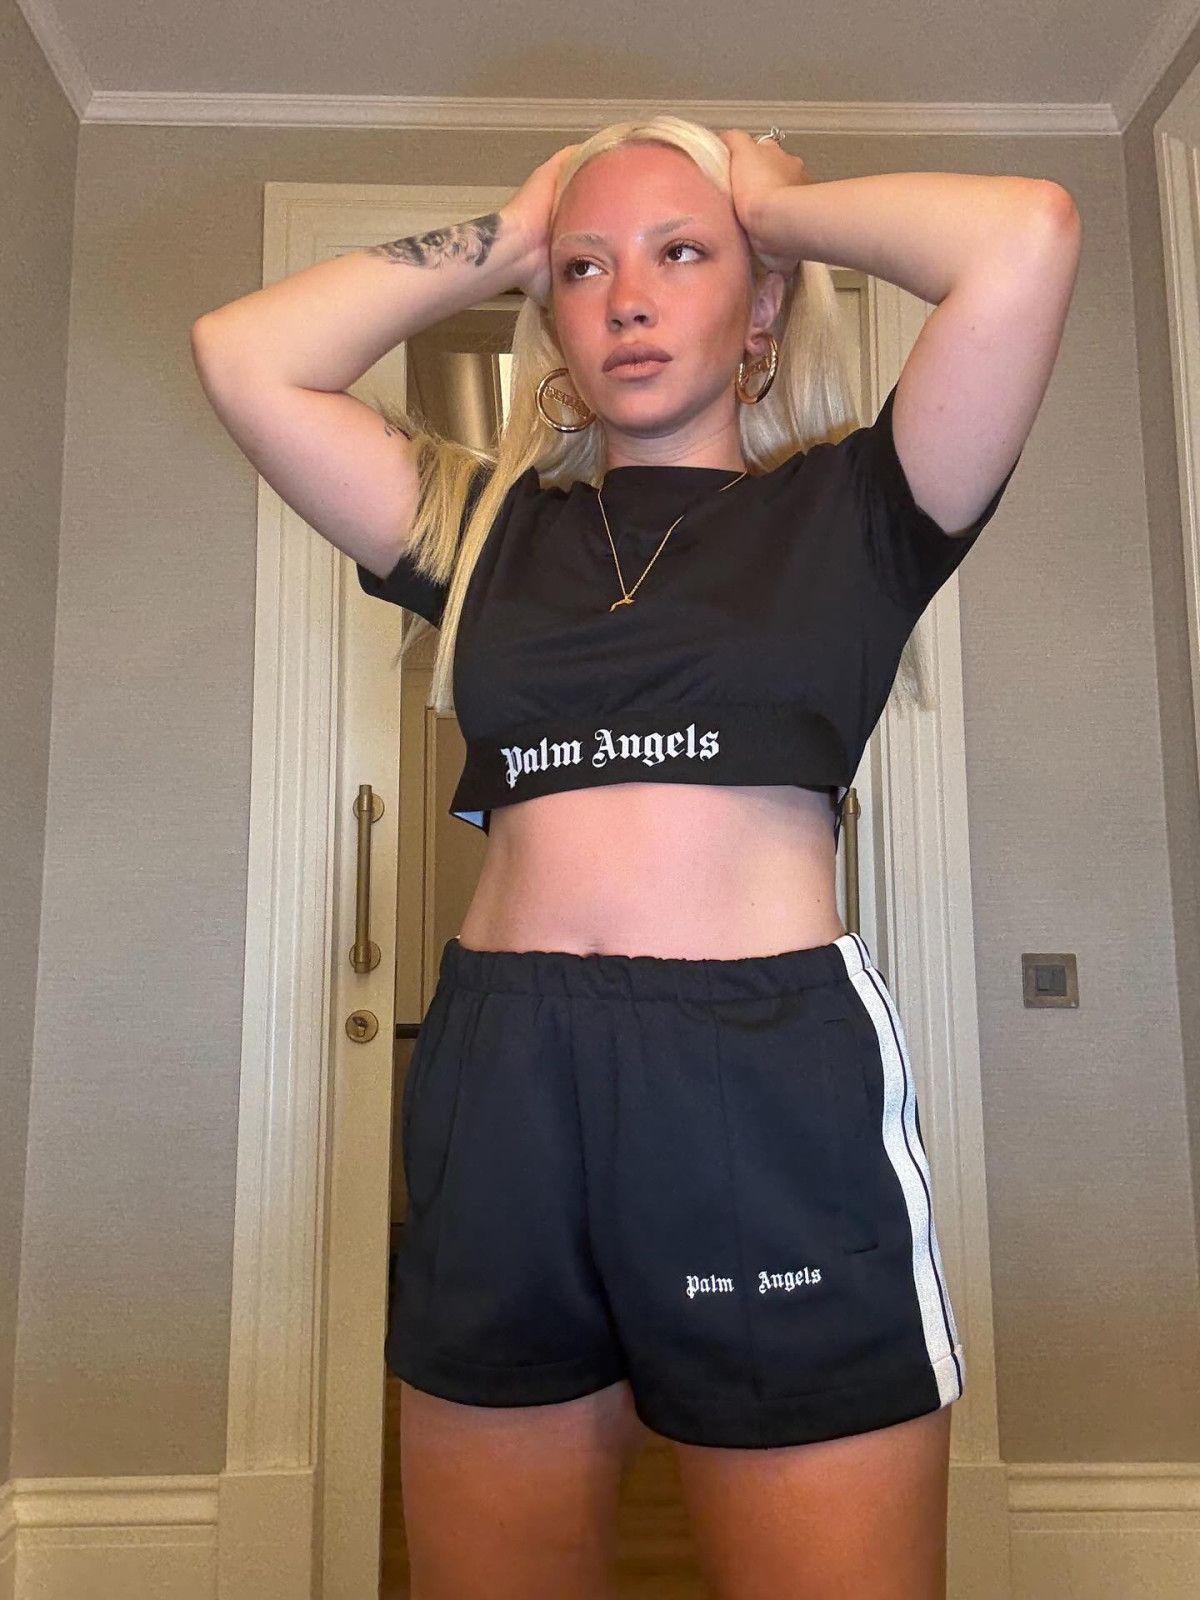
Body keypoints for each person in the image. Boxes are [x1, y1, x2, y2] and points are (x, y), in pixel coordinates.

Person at [191, 115, 1081, 1599]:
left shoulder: (861, 507)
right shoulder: (480, 529)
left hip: (759, 1073)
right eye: (588, 269)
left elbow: (1029, 233)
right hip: (504, 1072)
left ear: (761, 306)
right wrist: (511, 232)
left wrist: (777, 204)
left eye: (682, 254)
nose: (629, 297)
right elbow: (244, 355)